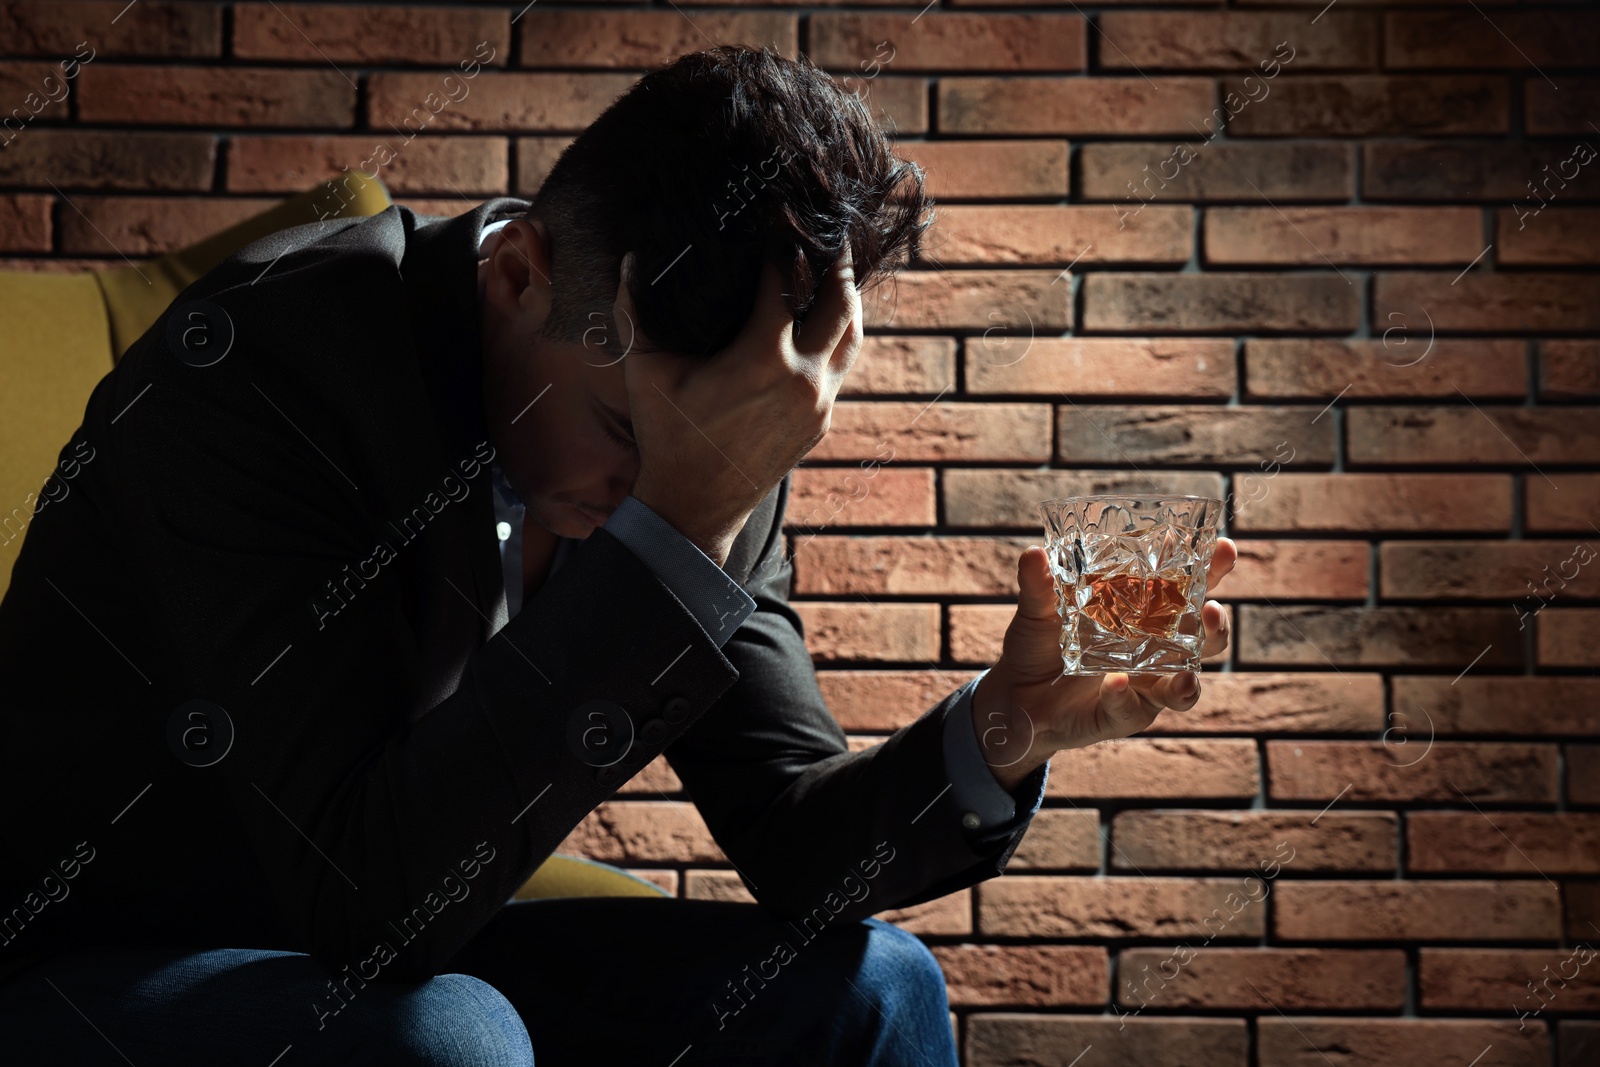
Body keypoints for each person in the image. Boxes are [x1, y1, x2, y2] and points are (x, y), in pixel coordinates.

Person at [0, 46, 1233, 1065]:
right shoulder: (268, 369)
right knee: (448, 1041)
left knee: (877, 990)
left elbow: (793, 832)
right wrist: (683, 516)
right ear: (519, 269)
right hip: (108, 952)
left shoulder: (717, 431)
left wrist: (1003, 728)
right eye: (621, 433)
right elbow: (358, 891)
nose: (650, 492)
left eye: (700, 464)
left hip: (428, 939)